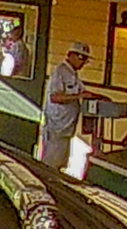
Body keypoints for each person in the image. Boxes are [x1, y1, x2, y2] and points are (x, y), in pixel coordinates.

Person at [41, 41, 105, 170]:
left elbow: (82, 92)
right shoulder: (60, 72)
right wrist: (78, 96)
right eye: (82, 58)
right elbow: (55, 97)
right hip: (56, 128)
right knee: (50, 166)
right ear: (73, 55)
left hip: (66, 129)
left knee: (59, 164)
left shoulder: (72, 74)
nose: (83, 63)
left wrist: (98, 96)